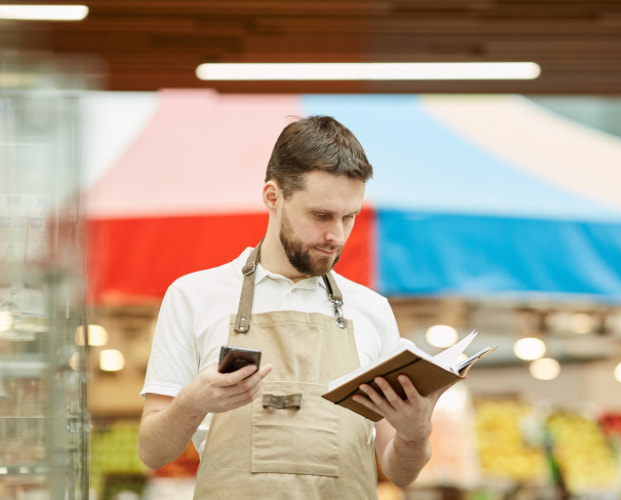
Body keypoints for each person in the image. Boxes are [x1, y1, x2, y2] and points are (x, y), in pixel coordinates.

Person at [137, 115, 454, 499]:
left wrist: (416, 434)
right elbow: (152, 453)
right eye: (321, 215)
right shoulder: (194, 295)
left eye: (348, 217)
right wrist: (192, 403)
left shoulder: (372, 309)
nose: (336, 235)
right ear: (273, 197)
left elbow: (399, 472)